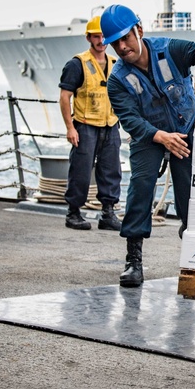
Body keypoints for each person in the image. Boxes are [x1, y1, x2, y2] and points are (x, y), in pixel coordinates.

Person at [104, 4, 195, 288]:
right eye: (114, 43)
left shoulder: (171, 50)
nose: (121, 47)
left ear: (139, 31)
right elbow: (130, 120)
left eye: (125, 38)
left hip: (186, 126)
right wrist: (159, 136)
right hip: (149, 134)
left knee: (191, 187)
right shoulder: (117, 81)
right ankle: (133, 259)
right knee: (142, 183)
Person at [58, 16, 123, 231]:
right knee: (80, 171)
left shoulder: (116, 64)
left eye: (104, 36)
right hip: (85, 126)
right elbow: (65, 96)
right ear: (88, 38)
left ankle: (107, 213)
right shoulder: (78, 64)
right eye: (96, 36)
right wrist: (70, 128)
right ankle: (73, 212)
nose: (101, 40)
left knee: (111, 170)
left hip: (110, 125)